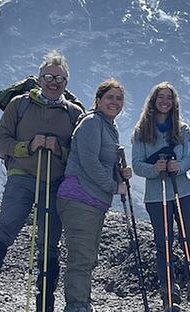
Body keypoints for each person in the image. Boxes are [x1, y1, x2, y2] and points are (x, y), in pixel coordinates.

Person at [0, 51, 83, 312]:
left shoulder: (74, 113)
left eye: (60, 78)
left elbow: (78, 155)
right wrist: (28, 146)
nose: (54, 82)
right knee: (6, 227)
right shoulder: (19, 105)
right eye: (48, 77)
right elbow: (0, 141)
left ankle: (46, 302)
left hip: (55, 182)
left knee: (50, 239)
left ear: (67, 82)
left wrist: (59, 151)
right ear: (39, 78)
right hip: (22, 176)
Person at [131, 82, 190, 312]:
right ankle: (169, 296)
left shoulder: (182, 129)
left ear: (174, 102)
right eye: (161, 98)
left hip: (183, 191)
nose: (165, 102)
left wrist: (178, 167)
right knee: (163, 244)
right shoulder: (141, 131)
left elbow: (189, 158)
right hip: (157, 196)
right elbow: (136, 165)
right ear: (153, 101)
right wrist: (156, 169)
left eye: (169, 98)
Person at [56, 79, 132, 312]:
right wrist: (113, 186)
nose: (115, 102)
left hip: (92, 201)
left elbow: (100, 161)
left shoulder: (108, 126)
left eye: (119, 98)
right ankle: (77, 305)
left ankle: (81, 303)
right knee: (81, 258)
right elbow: (89, 162)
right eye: (110, 97)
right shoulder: (91, 123)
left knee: (87, 256)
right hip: (80, 198)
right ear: (98, 100)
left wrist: (120, 174)